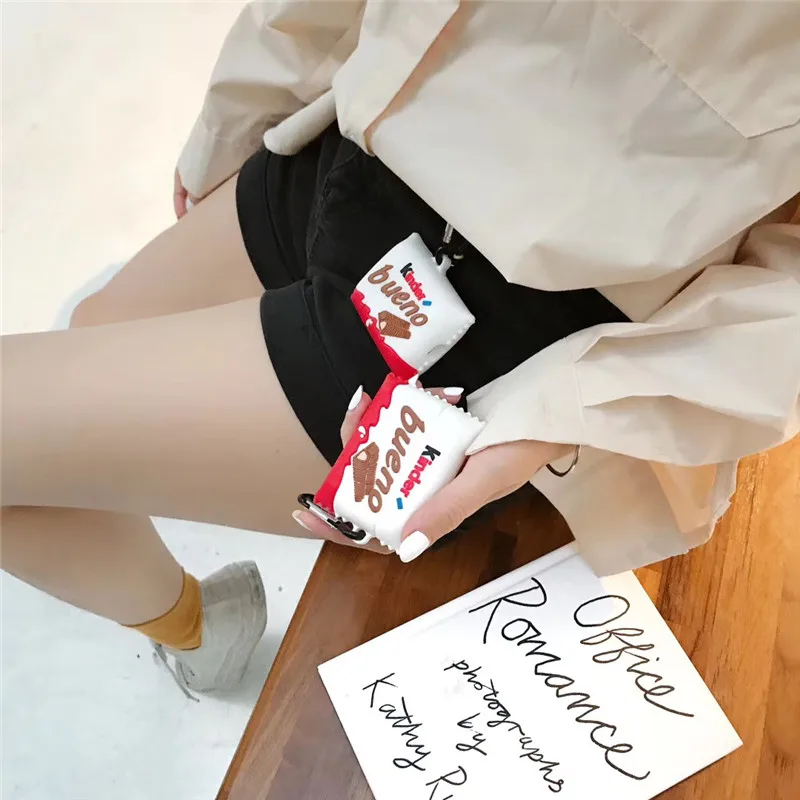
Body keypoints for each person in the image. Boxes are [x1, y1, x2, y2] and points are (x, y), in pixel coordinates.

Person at [2, 0, 798, 695]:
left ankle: (197, 633)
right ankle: (196, 626)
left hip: (513, 302)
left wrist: (572, 408)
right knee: (97, 329)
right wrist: (247, 105)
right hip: (366, 127)